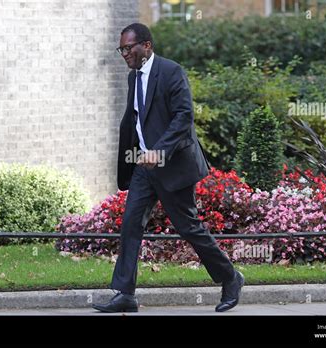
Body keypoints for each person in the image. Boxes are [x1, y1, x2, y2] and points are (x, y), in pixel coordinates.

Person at [92, 23, 244, 313]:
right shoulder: (133, 78)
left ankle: (231, 277)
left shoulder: (172, 71)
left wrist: (159, 151)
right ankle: (125, 293)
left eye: (128, 47)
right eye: (121, 49)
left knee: (189, 228)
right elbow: (137, 119)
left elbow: (183, 117)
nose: (124, 53)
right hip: (144, 168)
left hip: (172, 165)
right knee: (130, 224)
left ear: (146, 46)